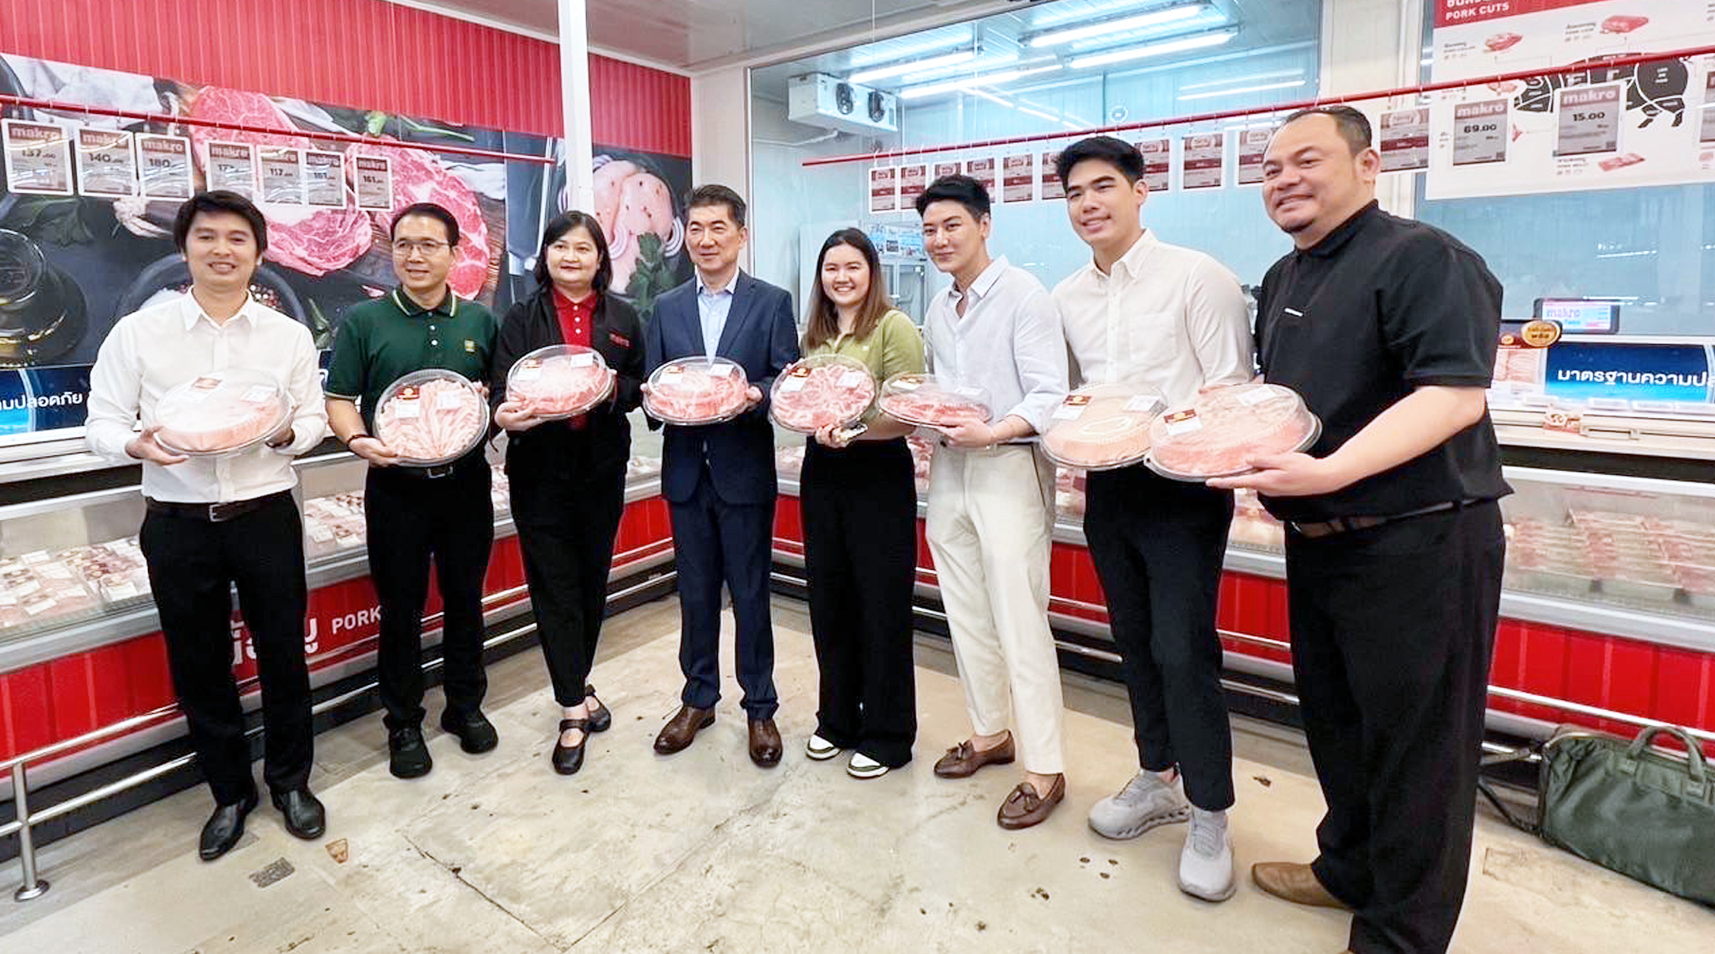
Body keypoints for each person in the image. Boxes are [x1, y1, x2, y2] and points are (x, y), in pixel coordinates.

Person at [1214, 105, 1510, 954]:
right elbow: (1292, 404)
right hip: (1322, 543)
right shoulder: (1284, 275)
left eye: (1305, 160)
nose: (1284, 180)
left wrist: (1331, 471)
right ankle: (1346, 869)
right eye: (1270, 169)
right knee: (1338, 726)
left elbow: (1452, 396)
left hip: (1419, 541)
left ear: (1369, 165)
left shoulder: (1423, 258)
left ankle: (1400, 935)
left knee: (1420, 750)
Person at [85, 190, 328, 860]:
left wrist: (285, 434)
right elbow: (101, 422)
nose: (223, 250)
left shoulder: (287, 335)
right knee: (199, 663)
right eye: (207, 237)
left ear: (259, 253)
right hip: (178, 521)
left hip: (264, 514)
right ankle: (229, 793)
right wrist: (134, 444)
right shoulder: (139, 332)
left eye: (237, 239)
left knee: (284, 654)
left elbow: (311, 417)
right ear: (183, 248)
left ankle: (291, 782)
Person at [1050, 136, 1254, 900]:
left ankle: (1209, 810)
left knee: (1182, 648)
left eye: (1103, 186)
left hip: (1183, 489)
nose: (1088, 204)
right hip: (1107, 487)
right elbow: (1071, 395)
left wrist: (1164, 432)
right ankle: (1154, 774)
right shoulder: (1067, 296)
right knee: (1132, 639)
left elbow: (1230, 390)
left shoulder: (1197, 276)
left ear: (1140, 191)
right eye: (1074, 193)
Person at [913, 175, 1070, 829]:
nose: (939, 239)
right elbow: (941, 389)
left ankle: (1045, 767)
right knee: (965, 610)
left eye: (952, 225)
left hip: (1007, 465)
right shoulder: (938, 307)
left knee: (1019, 618)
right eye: (929, 229)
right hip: (950, 469)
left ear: (984, 224)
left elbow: (1049, 394)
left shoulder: (1024, 296)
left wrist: (995, 430)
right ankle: (990, 733)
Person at [324, 202, 501, 780]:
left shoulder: (478, 321)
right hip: (395, 487)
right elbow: (340, 399)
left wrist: (488, 404)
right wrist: (358, 441)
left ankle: (464, 706)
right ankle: (403, 722)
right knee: (400, 608)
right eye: (403, 244)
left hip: (465, 485)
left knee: (465, 599)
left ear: (454, 253)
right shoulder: (365, 321)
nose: (414, 255)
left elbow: (497, 396)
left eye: (429, 245)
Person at [643, 184, 798, 768]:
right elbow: (656, 384)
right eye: (696, 228)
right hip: (686, 471)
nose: (706, 240)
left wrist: (755, 393)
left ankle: (760, 706)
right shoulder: (667, 307)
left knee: (752, 592)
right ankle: (698, 699)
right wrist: (657, 398)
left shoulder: (771, 302)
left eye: (718, 228)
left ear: (741, 235)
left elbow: (786, 378)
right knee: (696, 591)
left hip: (743, 470)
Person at [490, 211, 645, 776]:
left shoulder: (623, 316)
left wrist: (608, 388)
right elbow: (503, 387)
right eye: (560, 246)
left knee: (591, 582)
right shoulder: (520, 316)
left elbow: (638, 386)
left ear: (600, 258)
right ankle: (572, 709)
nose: (571, 257)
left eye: (583, 248)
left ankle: (576, 682)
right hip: (540, 472)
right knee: (553, 585)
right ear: (546, 255)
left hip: (601, 469)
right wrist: (506, 415)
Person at [797, 228, 926, 780]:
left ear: (871, 272)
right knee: (829, 598)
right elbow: (804, 399)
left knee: (881, 602)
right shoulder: (817, 333)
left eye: (853, 266)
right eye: (832, 268)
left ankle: (888, 733)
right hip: (822, 473)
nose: (842, 277)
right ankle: (837, 720)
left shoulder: (892, 326)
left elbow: (907, 411)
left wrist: (851, 432)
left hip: (877, 474)